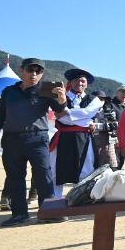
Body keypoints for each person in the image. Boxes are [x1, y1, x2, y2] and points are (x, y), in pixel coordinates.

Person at [0, 58, 66, 226]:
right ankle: (19, 214)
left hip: (37, 139)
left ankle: (49, 212)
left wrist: (62, 98)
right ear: (21, 70)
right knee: (15, 178)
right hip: (11, 140)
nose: (34, 74)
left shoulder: (47, 89)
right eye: (31, 70)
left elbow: (60, 112)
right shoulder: (9, 91)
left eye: (38, 71)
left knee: (43, 175)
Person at [51, 68, 104, 197]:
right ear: (70, 82)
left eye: (82, 81)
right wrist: (84, 119)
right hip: (63, 138)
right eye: (76, 80)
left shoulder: (95, 100)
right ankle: (55, 200)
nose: (79, 83)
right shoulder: (59, 97)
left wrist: (66, 111)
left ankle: (81, 198)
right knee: (56, 170)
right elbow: (60, 118)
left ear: (87, 84)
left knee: (86, 169)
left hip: (84, 138)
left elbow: (87, 113)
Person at [92, 89, 122, 170]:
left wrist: (99, 126)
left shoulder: (109, 110)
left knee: (112, 165)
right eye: (98, 98)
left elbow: (115, 124)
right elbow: (88, 125)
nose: (100, 100)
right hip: (93, 142)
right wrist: (105, 126)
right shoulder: (88, 110)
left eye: (102, 99)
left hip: (108, 142)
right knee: (95, 165)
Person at [111, 85, 125, 167]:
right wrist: (116, 138)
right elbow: (110, 123)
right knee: (115, 164)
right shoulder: (111, 105)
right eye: (123, 92)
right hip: (115, 141)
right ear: (117, 93)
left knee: (122, 162)